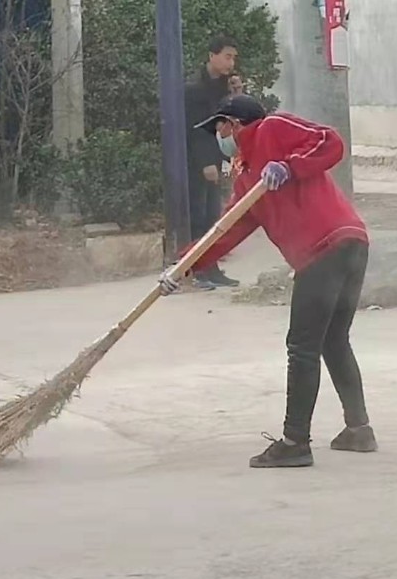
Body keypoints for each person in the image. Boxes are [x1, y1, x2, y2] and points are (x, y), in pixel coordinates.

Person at [159, 95, 377, 469]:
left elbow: (330, 141)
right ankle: (358, 430)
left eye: (219, 127)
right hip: (345, 247)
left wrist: (290, 165)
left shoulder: (272, 129)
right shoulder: (247, 181)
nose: (218, 136)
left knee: (302, 346)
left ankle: (295, 442)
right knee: (332, 340)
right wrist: (184, 266)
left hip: (330, 245)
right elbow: (225, 232)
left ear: (235, 123)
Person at [183, 33, 241, 289]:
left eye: (233, 58)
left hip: (217, 158)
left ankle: (212, 267)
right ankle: (196, 269)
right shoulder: (195, 88)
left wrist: (237, 94)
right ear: (212, 56)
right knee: (199, 214)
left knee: (213, 216)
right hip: (198, 161)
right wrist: (206, 162)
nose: (231, 63)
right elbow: (198, 129)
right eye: (227, 57)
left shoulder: (223, 86)